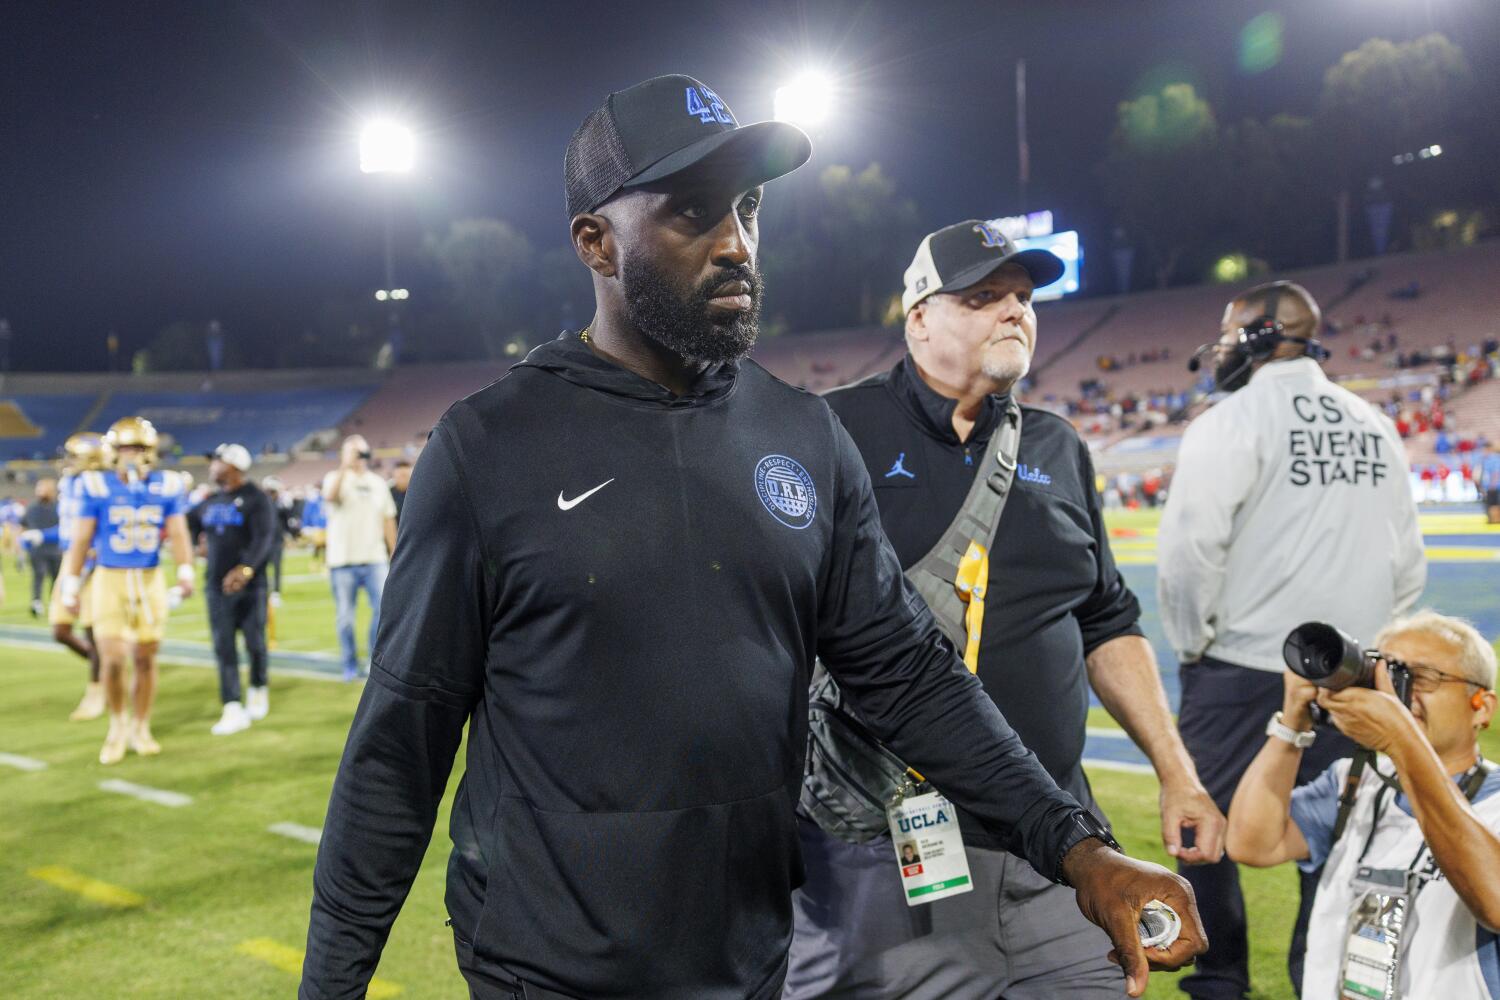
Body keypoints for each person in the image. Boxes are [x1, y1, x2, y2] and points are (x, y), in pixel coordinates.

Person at [301, 75, 1205, 1000]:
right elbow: (401, 745)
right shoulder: (489, 447)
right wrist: (331, 984)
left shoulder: (805, 435)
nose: (736, 243)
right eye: (692, 213)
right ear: (595, 242)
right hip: (548, 970)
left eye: (748, 207)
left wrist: (1080, 848)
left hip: (752, 960)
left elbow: (910, 675)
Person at [787, 221, 1224, 999]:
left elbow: (1106, 620)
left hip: (1058, 846)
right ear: (919, 316)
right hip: (884, 850)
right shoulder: (831, 430)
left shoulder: (1056, 446)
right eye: (983, 296)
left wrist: (1176, 771)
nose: (1014, 310)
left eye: (1023, 297)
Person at [1158, 280, 1426, 999]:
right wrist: (1367, 653)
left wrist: (1194, 646)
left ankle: (1219, 982)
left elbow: (1190, 555)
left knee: (1201, 826)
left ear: (1258, 334)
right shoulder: (1376, 423)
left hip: (1240, 667)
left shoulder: (1231, 421)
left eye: (1229, 331)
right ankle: (1325, 977)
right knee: (1343, 837)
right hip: (1355, 671)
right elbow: (1409, 565)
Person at [1226, 611, 1500, 998]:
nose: (1398, 693)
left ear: (1482, 706)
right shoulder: (1355, 782)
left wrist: (1402, 740)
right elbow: (1251, 843)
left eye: (1422, 677)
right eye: (1383, 674)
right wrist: (1293, 722)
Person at [60, 417, 194, 764]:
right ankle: (117, 724)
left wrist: (185, 570)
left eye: (137, 448)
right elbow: (81, 538)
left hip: (149, 578)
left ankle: (141, 725)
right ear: (113, 452)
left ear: (149, 451)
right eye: (124, 448)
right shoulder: (96, 485)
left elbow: (178, 533)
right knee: (114, 658)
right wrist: (71, 584)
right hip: (110, 578)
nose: (130, 455)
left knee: (146, 658)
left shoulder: (166, 485)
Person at [189, 444, 277, 735]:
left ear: (235, 465)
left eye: (218, 460)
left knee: (254, 643)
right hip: (216, 585)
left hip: (251, 587)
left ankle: (258, 687)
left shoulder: (256, 498)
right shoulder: (209, 500)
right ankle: (232, 706)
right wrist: (195, 544)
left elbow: (264, 538)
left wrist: (247, 569)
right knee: (223, 647)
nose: (212, 465)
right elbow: (186, 524)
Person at [321, 435, 396, 681]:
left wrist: (394, 551)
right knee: (345, 617)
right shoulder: (334, 478)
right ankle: (349, 663)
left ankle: (376, 661)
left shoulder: (377, 483)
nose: (357, 457)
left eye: (360, 452)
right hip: (342, 560)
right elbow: (331, 497)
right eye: (352, 452)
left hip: (374, 558)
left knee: (383, 613)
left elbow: (388, 519)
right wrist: (344, 465)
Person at [51, 434, 107, 720]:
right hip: (69, 559)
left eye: (74, 456)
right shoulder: (70, 483)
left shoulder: (97, 485)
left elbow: (93, 533)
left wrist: (84, 568)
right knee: (60, 630)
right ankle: (109, 668)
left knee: (92, 631)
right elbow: (67, 531)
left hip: (91, 562)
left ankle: (97, 690)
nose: (68, 462)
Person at [22, 477, 62, 618]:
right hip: (37, 550)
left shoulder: (59, 506)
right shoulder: (32, 508)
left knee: (56, 577)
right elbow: (24, 526)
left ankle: (54, 602)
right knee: (38, 575)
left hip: (56, 549)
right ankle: (36, 602)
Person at [1478, 441, 1500, 524]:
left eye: (1484, 450)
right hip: (1488, 486)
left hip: (1495, 486)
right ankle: (1492, 519)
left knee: (1494, 504)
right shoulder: (1485, 460)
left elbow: (1496, 473)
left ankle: (1495, 520)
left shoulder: (1495, 459)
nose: (1483, 452)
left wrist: (1492, 485)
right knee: (1489, 504)